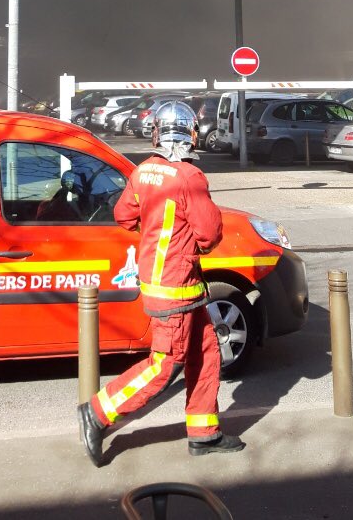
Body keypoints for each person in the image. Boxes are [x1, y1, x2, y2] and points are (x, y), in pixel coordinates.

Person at [78, 100, 245, 466]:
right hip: (176, 286)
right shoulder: (189, 176)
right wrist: (184, 243)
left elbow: (124, 215)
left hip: (168, 282)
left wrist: (157, 232)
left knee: (206, 352)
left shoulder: (144, 171)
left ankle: (204, 433)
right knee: (165, 363)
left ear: (156, 133)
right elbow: (209, 234)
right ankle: (98, 412)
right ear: (191, 134)